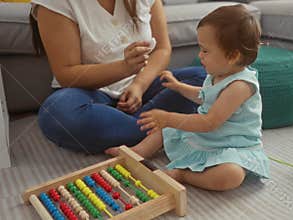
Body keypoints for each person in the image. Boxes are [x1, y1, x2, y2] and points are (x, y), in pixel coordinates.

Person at [106, 4, 270, 191]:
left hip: (231, 147)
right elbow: (203, 96)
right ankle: (136, 152)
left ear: (232, 56)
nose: (200, 55)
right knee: (164, 130)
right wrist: (178, 87)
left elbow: (209, 122)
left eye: (205, 51)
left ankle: (184, 175)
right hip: (207, 138)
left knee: (230, 176)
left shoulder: (240, 86)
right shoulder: (218, 73)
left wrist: (168, 118)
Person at [32, 0, 206, 153]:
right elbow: (66, 74)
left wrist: (139, 85)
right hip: (89, 94)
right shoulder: (54, 4)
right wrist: (124, 67)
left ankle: (135, 127)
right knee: (57, 112)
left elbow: (162, 49)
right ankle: (165, 129)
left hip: (143, 88)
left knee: (205, 78)